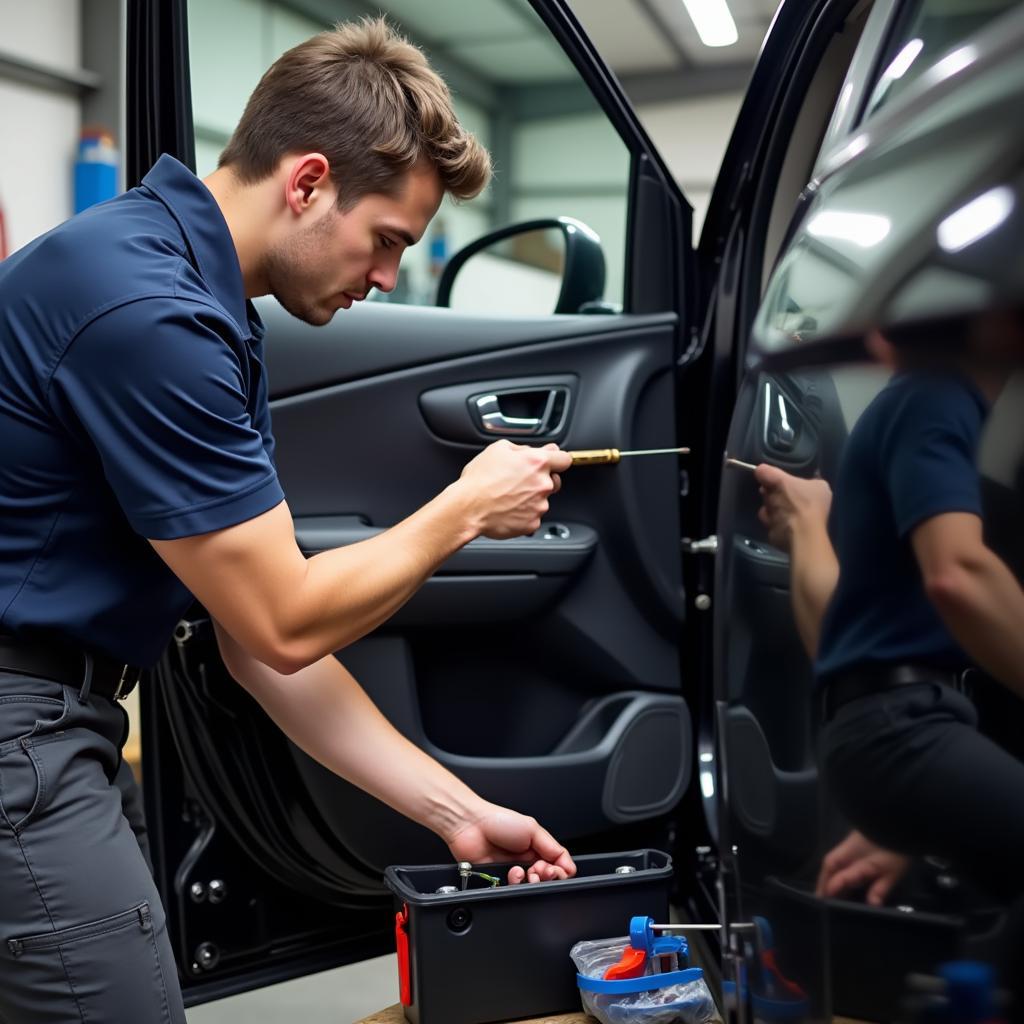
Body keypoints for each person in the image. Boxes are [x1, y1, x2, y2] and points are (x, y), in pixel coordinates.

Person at [0, 19, 576, 1023]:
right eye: (386, 240)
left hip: (58, 722)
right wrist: (461, 512)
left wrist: (460, 815)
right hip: (21, 738)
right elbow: (282, 621)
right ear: (307, 182)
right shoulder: (151, 314)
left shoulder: (195, 293)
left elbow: (261, 648)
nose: (389, 276)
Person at [755, 342, 1024, 906]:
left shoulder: (928, 414)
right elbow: (958, 576)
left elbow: (846, 640)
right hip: (907, 722)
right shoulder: (937, 396)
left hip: (907, 727)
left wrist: (932, 816)